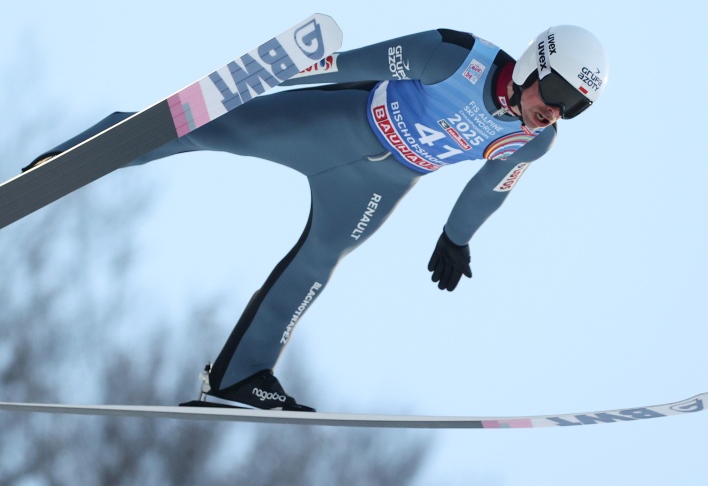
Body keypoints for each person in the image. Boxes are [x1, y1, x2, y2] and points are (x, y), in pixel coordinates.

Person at [26, 25, 609, 412]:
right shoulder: (457, 56)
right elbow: (350, 63)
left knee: (319, 262)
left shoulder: (532, 142)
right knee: (199, 130)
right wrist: (266, 75)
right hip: (334, 124)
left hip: (380, 184)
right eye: (554, 90)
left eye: (572, 107)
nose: (553, 110)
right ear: (537, 62)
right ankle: (69, 161)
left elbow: (490, 188)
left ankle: (238, 379)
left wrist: (457, 239)